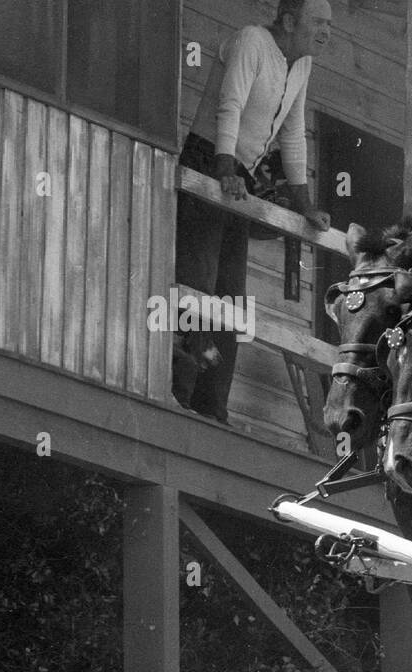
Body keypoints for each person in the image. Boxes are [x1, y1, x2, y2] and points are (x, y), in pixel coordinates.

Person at [174, 0, 333, 423]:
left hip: (238, 178)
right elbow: (231, 105)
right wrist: (223, 169)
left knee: (230, 297)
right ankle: (178, 392)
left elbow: (293, 134)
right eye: (317, 22)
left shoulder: (301, 67)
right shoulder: (252, 41)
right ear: (287, 21)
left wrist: (304, 204)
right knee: (197, 285)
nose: (326, 31)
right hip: (210, 162)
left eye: (329, 25)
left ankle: (211, 406)